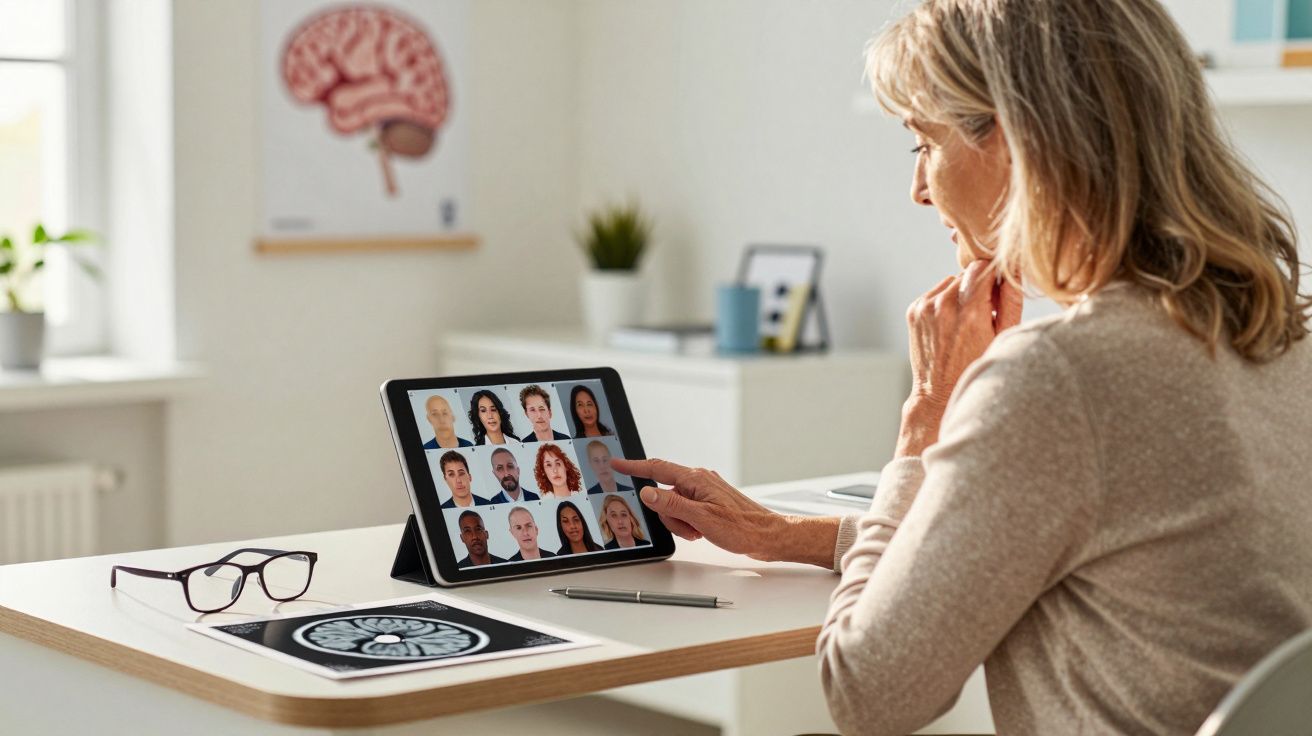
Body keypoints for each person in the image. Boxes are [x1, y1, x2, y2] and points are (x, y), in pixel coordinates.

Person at [610, 1, 1312, 734]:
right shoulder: (1282, 332)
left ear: (1012, 141)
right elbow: (1075, 551)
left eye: (921, 143)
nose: (918, 188)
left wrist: (926, 420)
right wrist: (785, 535)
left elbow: (868, 693)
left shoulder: (1055, 381)